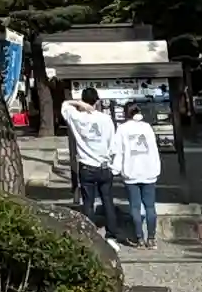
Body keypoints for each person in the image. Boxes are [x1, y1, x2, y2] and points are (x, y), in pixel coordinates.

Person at [60, 83, 123, 242]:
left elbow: (65, 105)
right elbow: (112, 144)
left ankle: (89, 234)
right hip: (103, 165)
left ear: (82, 101)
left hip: (86, 166)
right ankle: (112, 234)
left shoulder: (77, 117)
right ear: (97, 101)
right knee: (107, 200)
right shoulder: (106, 119)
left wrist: (78, 104)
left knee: (88, 202)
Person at [115, 103, 162, 248]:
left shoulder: (122, 129)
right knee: (150, 207)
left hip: (131, 172)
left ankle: (139, 238)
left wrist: (115, 169)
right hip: (149, 171)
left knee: (135, 207)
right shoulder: (147, 127)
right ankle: (151, 238)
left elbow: (118, 151)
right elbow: (154, 148)